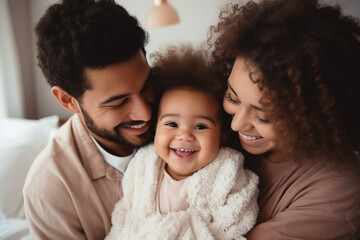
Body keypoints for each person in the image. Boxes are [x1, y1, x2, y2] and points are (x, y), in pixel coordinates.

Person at [208, 0, 360, 239]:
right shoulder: (212, 120)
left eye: (263, 116)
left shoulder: (341, 189)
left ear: (315, 115)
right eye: (233, 98)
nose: (237, 124)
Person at [22, 0, 154, 239]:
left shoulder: (183, 106)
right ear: (67, 100)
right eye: (118, 102)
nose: (145, 113)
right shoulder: (50, 190)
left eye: (147, 86)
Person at [105, 45, 259, 240]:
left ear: (222, 135)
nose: (185, 135)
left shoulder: (226, 172)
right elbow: (125, 216)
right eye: (171, 123)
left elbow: (236, 221)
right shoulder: (142, 167)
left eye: (201, 126)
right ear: (155, 129)